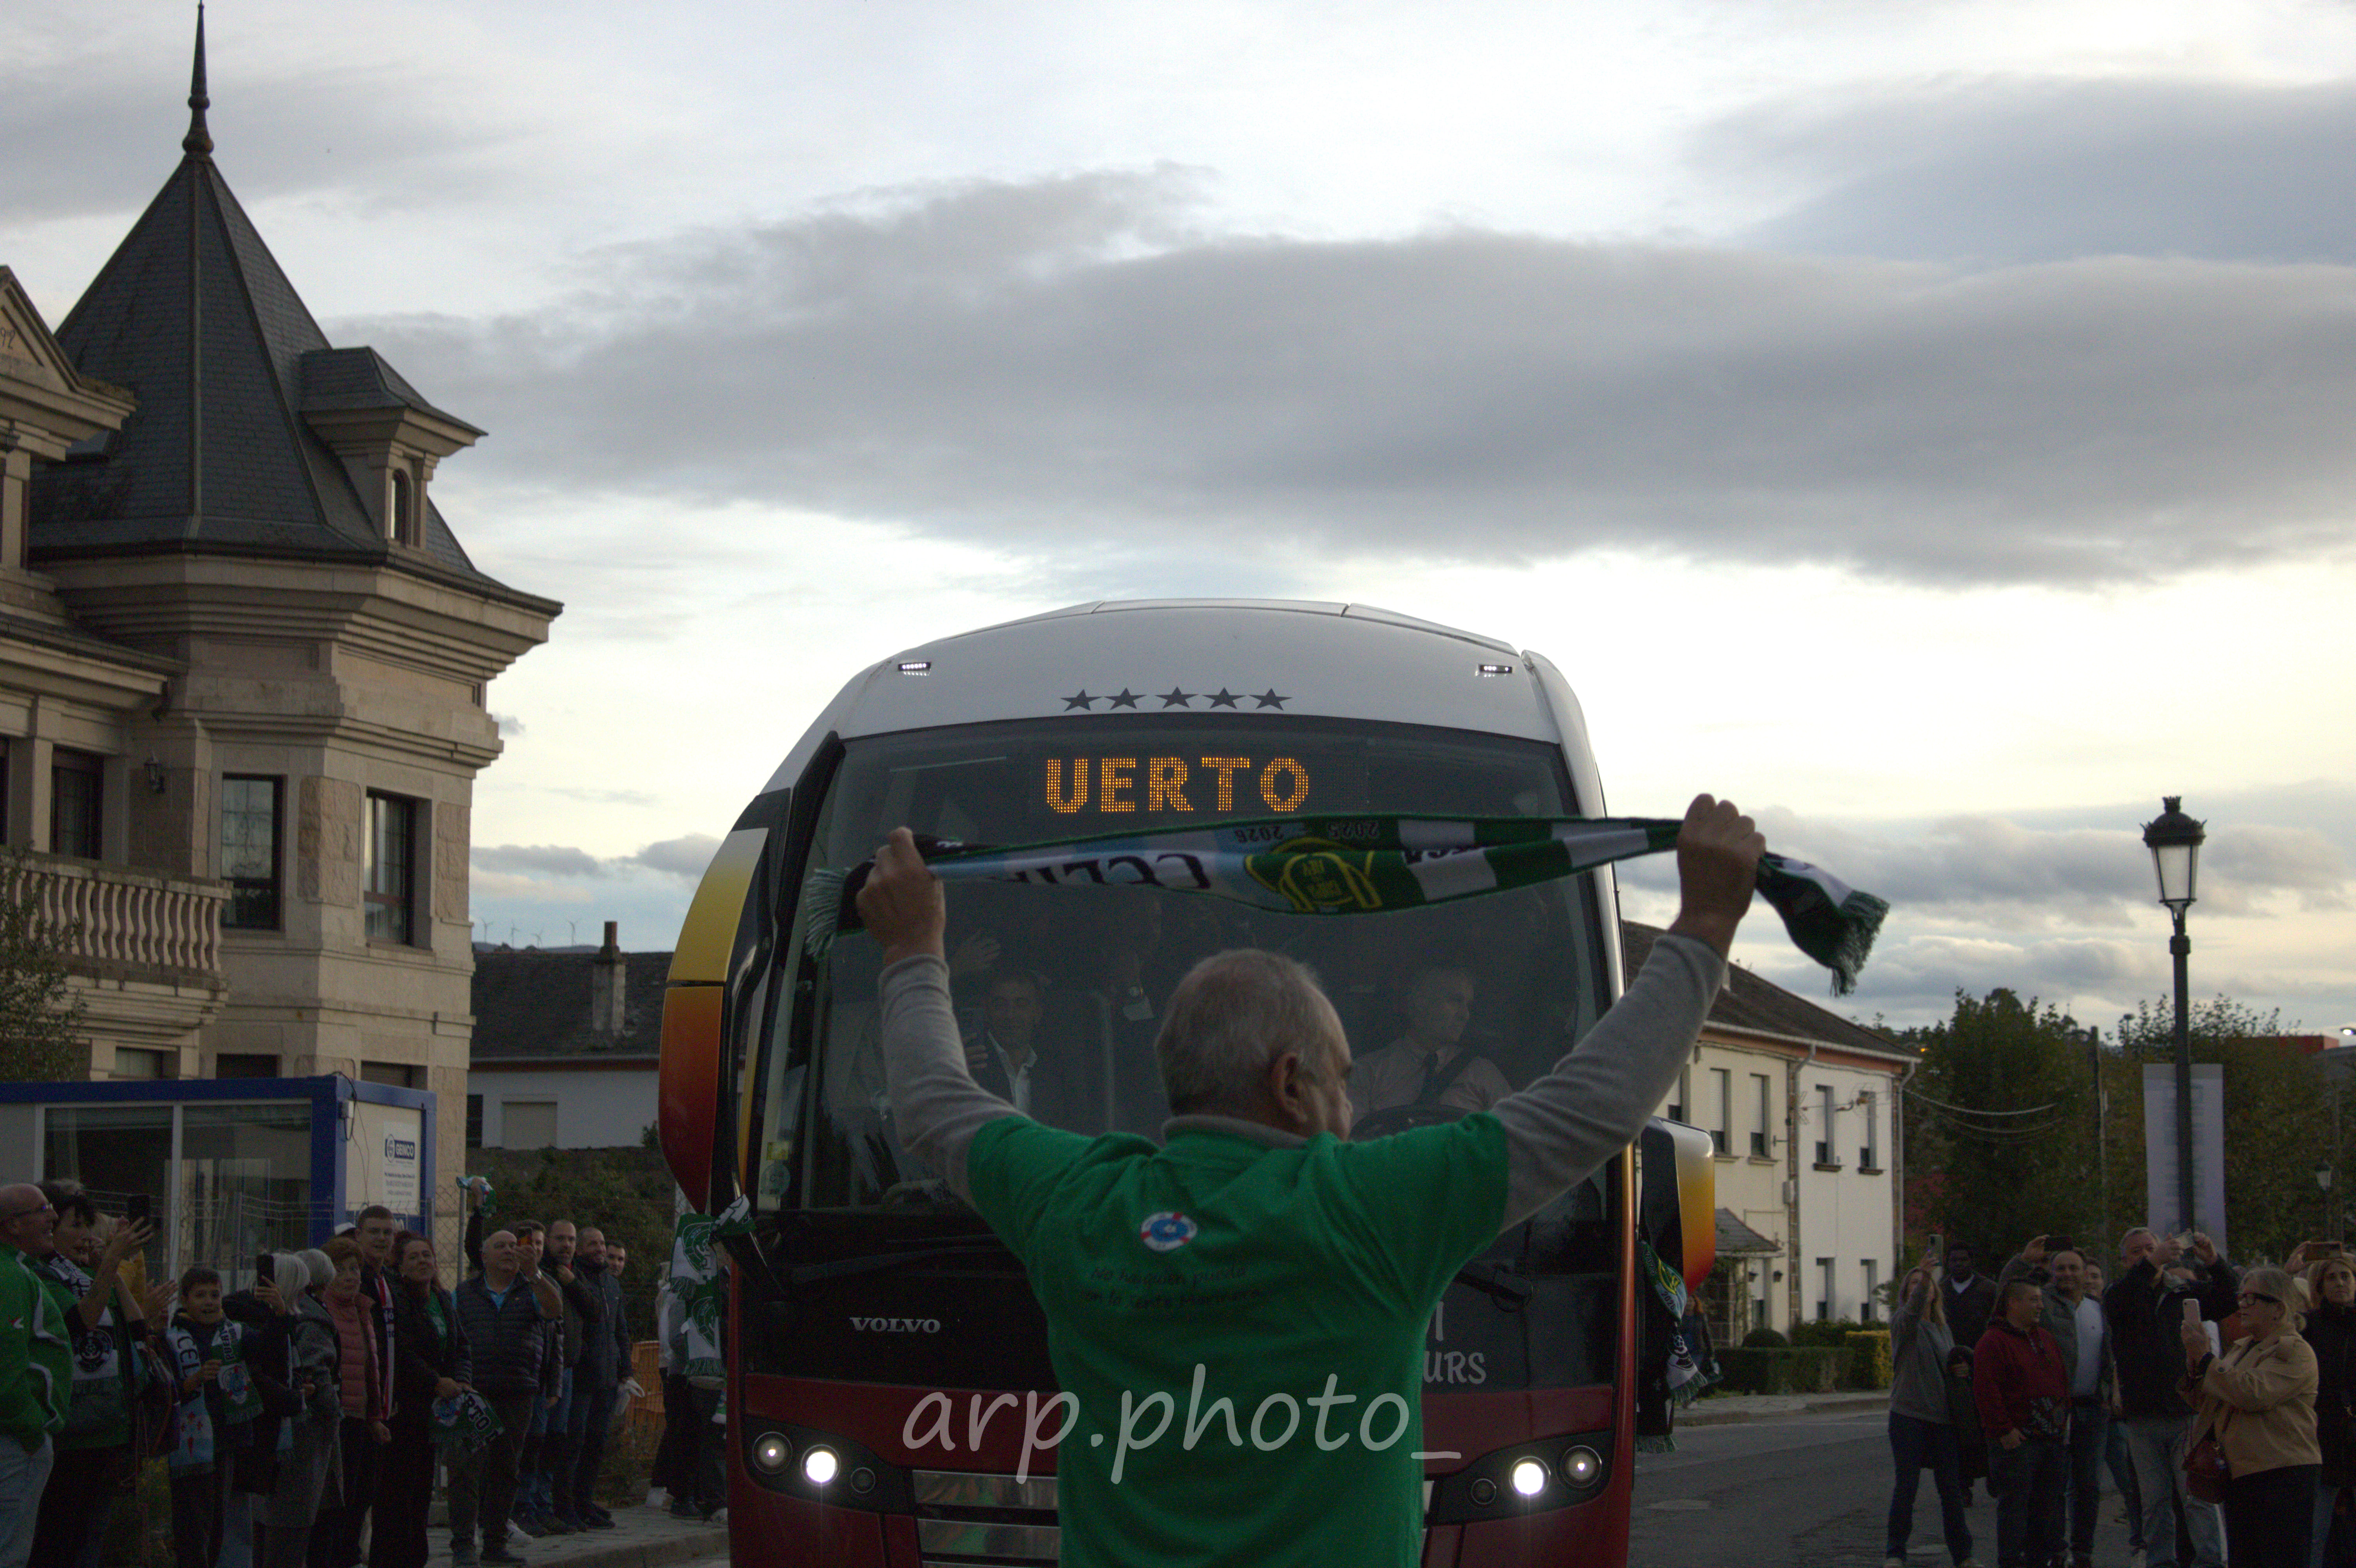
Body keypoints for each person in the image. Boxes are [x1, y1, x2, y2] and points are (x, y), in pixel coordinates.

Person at [854, 793, 1764, 1565]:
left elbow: (932, 1105)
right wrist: (1704, 928)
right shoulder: (1376, 1205)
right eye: (1340, 1081)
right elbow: (1592, 1106)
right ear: (1289, 1083)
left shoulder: (1079, 1201)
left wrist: (911, 948)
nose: (1350, 1109)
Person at [27, 1189, 159, 1568]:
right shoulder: (41, 1275)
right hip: (70, 1429)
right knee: (58, 1534)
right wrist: (112, 1260)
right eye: (76, 1225)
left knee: (91, 1534)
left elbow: (136, 1325)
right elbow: (81, 1322)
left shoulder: (88, 1273)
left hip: (108, 1424)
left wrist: (110, 1267)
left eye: (89, 1224)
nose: (86, 1233)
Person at [2108, 1227, 2236, 1568]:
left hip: (2186, 1413)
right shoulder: (2120, 1294)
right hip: (2143, 1418)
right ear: (2124, 1261)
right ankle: (2161, 1562)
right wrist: (2153, 1262)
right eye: (2138, 1251)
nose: (2148, 1254)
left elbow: (2229, 1298)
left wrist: (2213, 1261)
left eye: (2151, 1247)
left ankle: (2211, 1562)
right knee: (2155, 1501)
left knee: (2198, 1495)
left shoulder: (2182, 1292)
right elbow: (2126, 1294)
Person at [2184, 1264, 2320, 1568]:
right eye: (2240, 1297)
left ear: (2279, 1308)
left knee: (2279, 1558)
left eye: (2251, 1298)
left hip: (2281, 1472)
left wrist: (2208, 1360)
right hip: (2241, 1471)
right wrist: (2196, 1364)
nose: (2241, 1305)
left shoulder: (2295, 1351)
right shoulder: (2242, 1348)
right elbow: (2211, 1400)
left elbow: (2254, 1393)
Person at [1999, 1237, 2112, 1568]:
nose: (2067, 1274)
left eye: (2073, 1268)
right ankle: (2056, 1549)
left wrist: (2109, 1392)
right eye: (2060, 1268)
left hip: (2093, 1408)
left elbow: (2108, 1356)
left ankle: (2084, 1551)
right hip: (2055, 1412)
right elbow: (2007, 1296)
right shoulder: (2043, 1304)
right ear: (2051, 1271)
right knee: (2054, 1487)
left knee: (2089, 1485)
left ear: (2085, 1271)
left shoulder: (2098, 1308)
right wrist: (2022, 1261)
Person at [451, 1229, 559, 1568]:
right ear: (484, 1256)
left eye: (515, 1246)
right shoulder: (465, 1293)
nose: (510, 1251)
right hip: (475, 1393)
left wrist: (535, 1274)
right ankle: (464, 1545)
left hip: (518, 1391)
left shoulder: (532, 1288)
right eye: (500, 1246)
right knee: (465, 1470)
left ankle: (495, 1543)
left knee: (506, 1471)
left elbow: (555, 1308)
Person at [371, 1232, 468, 1568]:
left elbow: (459, 1346)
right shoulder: (398, 1302)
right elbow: (404, 1353)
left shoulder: (442, 1299)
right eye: (414, 1257)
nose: (423, 1261)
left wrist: (462, 1379)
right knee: (398, 1492)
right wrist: (435, 1381)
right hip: (406, 1409)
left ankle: (416, 1558)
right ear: (400, 1266)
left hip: (436, 1412)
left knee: (421, 1491)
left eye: (427, 1255)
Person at [166, 1268, 268, 1568]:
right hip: (188, 1445)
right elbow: (165, 1391)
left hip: (225, 1438)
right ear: (185, 1300)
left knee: (217, 1523)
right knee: (192, 1525)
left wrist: (276, 1310)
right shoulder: (174, 1337)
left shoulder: (233, 1332)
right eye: (200, 1295)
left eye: (215, 1295)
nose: (209, 1302)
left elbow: (268, 1345)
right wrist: (195, 1380)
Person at [1884, 1261, 1975, 1568]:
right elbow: (1911, 1312)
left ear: (1937, 1293)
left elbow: (1949, 1368)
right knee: (1906, 1486)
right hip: (1908, 1414)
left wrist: (1962, 1370)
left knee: (1951, 1489)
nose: (1921, 1287)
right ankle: (1895, 1553)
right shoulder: (1903, 1324)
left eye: (1926, 1284)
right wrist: (1924, 1277)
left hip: (1943, 1419)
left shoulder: (1942, 1328)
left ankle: (1963, 1555)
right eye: (1913, 1283)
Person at [1975, 1277, 2070, 1568]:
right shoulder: (1993, 1341)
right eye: (2034, 1299)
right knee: (2016, 1507)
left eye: (2041, 1299)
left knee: (2047, 1506)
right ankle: (2011, 1561)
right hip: (2018, 1442)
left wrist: (2064, 1421)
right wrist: (2004, 1430)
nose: (2040, 1305)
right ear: (2013, 1303)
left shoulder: (2045, 1337)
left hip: (2051, 1439)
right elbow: (1986, 1389)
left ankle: (2041, 1559)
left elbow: (2061, 1380)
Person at [309, 1238, 389, 1568]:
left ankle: (349, 1555)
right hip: (335, 1417)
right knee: (334, 1500)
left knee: (360, 1495)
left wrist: (375, 1414)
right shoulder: (324, 1309)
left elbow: (371, 1367)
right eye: (341, 1269)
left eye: (354, 1268)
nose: (350, 1276)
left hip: (361, 1416)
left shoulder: (363, 1308)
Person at [1346, 964, 1511, 1124]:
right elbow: (1353, 1142)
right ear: (1420, 1002)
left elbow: (1516, 1137)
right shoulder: (1366, 1073)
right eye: (1455, 1001)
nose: (1466, 1015)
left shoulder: (1483, 1074)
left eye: (1468, 1005)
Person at [0, 1186, 69, 1568]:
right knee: (9, 1554)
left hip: (13, 1433)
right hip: (14, 1440)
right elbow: (5, 1364)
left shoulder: (14, 1268)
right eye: (43, 1209)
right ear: (13, 1224)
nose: (53, 1218)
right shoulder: (9, 1274)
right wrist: (31, 1429)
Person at [261, 1251, 343, 1568]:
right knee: (292, 1531)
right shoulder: (311, 1320)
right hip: (302, 1435)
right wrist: (331, 1413)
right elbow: (318, 1378)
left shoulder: (266, 1315)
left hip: (274, 1435)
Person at [559, 1228, 625, 1532]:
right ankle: (566, 1503)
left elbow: (620, 1329)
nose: (599, 1249)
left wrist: (626, 1371)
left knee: (597, 1443)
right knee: (575, 1442)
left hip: (608, 1377)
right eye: (593, 1244)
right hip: (583, 1375)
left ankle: (585, 1500)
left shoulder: (612, 1284)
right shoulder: (574, 1280)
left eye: (602, 1242)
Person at [2082, 1263, 2146, 1566]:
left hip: (2115, 1412)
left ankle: (2140, 1542)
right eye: (2087, 1276)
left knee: (2130, 1481)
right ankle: (2081, 1550)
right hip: (2087, 1409)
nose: (2091, 1281)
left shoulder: (2114, 1310)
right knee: (2084, 1485)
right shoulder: (2075, 1313)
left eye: (2096, 1276)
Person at [2300, 1250, 2356, 1568]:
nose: (2340, 1283)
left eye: (2346, 1276)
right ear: (2320, 1286)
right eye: (2331, 1277)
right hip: (2320, 1440)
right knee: (2315, 1532)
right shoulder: (2309, 1326)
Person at [1946, 1244, 2000, 1359]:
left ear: (1972, 1262)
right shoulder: (1940, 1290)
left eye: (1963, 1260)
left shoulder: (1989, 1289)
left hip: (1981, 1355)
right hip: (1947, 1355)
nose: (1958, 1264)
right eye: (1954, 1260)